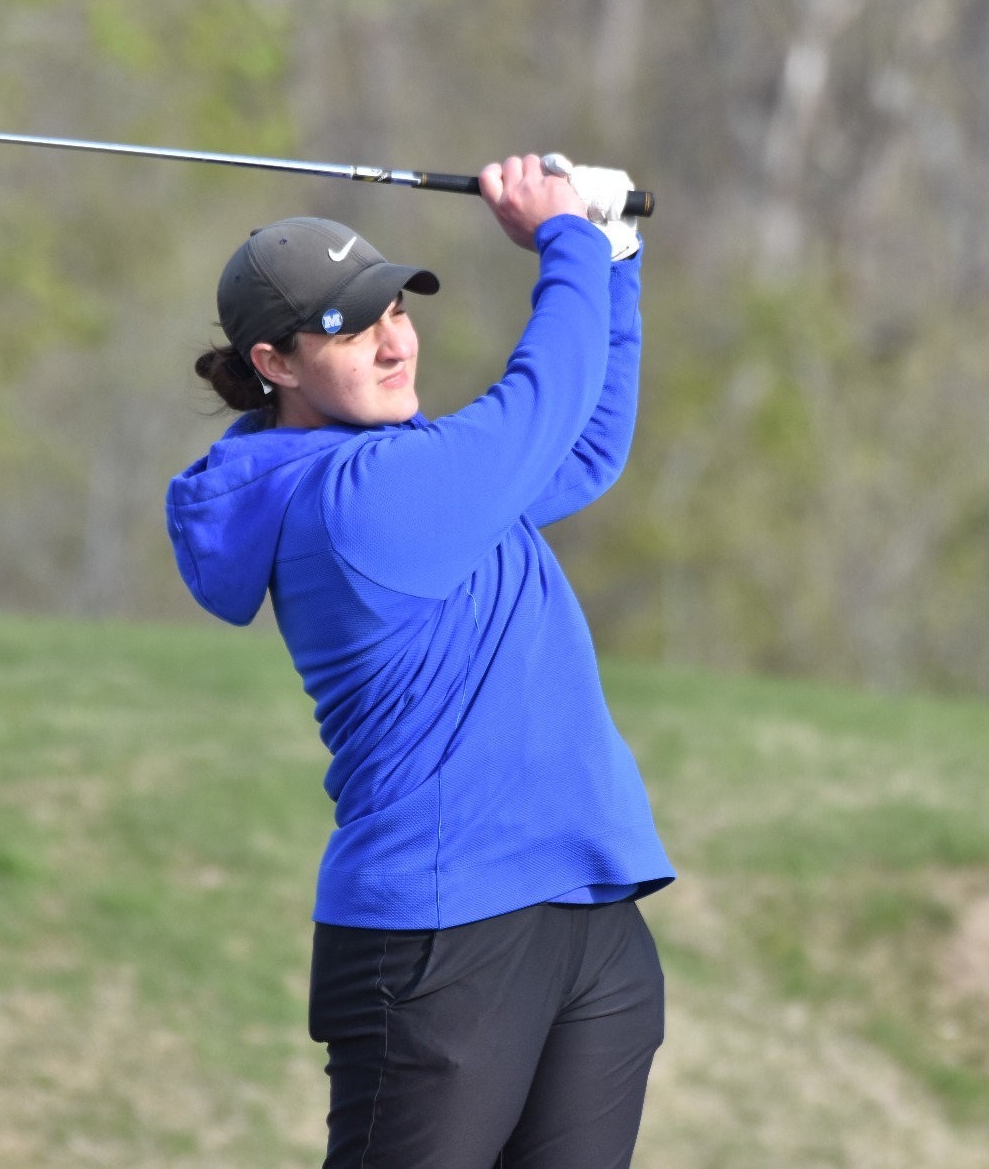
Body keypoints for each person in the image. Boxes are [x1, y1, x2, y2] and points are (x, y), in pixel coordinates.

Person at [166, 155, 674, 1169]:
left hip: (586, 907)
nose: (393, 339)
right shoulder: (358, 504)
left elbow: (577, 449)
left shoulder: (414, 466)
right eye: (349, 327)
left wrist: (613, 258)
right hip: (441, 936)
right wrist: (563, 239)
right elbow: (539, 406)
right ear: (274, 363)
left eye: (394, 307)